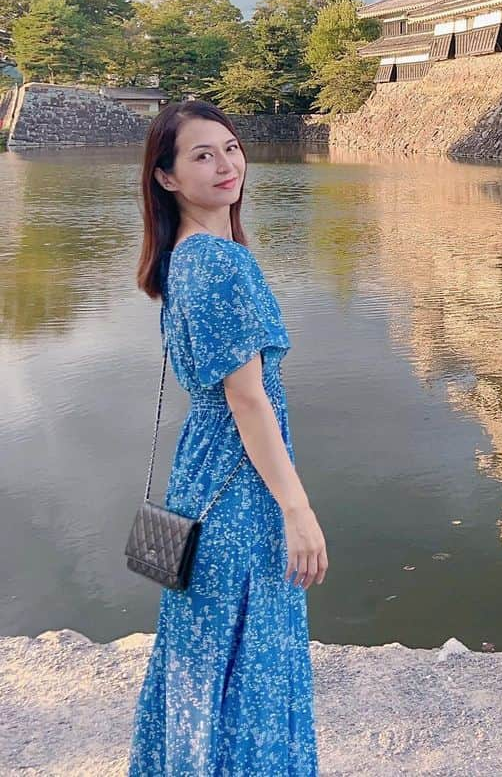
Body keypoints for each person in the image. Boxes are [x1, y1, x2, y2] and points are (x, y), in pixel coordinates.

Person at [128, 99, 327, 775]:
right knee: (251, 664)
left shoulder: (184, 258)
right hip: (240, 491)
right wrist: (297, 511)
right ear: (167, 177)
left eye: (231, 148)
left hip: (200, 479)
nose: (225, 165)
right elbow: (247, 399)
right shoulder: (219, 264)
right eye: (201, 155)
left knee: (205, 661)